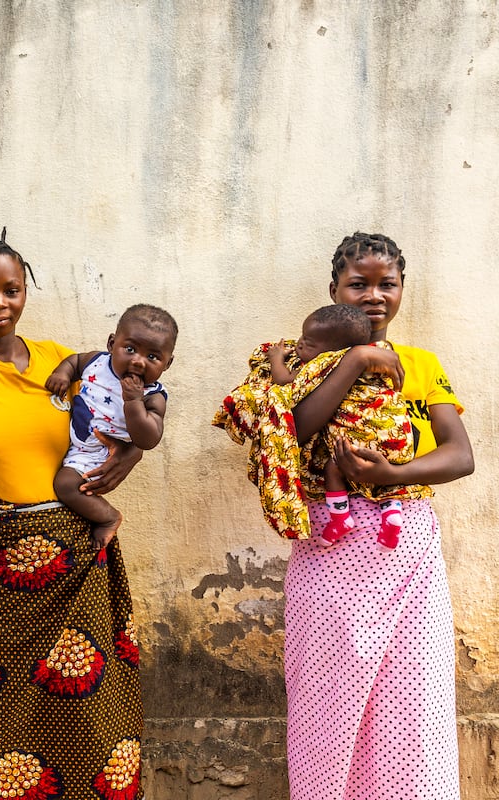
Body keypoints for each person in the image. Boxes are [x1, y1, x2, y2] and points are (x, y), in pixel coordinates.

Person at [0, 220, 146, 800]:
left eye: (10, 289)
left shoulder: (66, 362)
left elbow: (137, 398)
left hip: (82, 554)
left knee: (93, 719)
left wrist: (131, 455)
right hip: (2, 571)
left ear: (25, 292)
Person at [277, 233, 472, 799]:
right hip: (329, 550)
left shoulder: (420, 365)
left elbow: (459, 455)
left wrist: (392, 476)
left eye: (387, 284)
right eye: (357, 284)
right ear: (334, 290)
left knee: (412, 701)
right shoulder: (305, 359)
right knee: (327, 698)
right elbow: (292, 431)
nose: (374, 295)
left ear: (402, 289)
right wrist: (357, 358)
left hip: (405, 547)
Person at [265, 304, 416, 548]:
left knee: (333, 467)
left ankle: (341, 517)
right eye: (303, 337)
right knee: (387, 469)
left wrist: (276, 358)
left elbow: (283, 380)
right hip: (397, 438)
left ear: (335, 349)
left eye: (309, 343)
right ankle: (391, 514)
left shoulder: (327, 363)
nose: (301, 344)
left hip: (355, 438)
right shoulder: (383, 352)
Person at [45, 304, 176, 548]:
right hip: (79, 442)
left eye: (152, 357)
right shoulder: (96, 362)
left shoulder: (153, 396)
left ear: (167, 364)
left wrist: (134, 401)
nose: (138, 362)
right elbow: (74, 362)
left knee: (66, 485)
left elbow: (149, 440)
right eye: (130, 349)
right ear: (111, 344)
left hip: (102, 456)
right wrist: (62, 374)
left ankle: (108, 518)